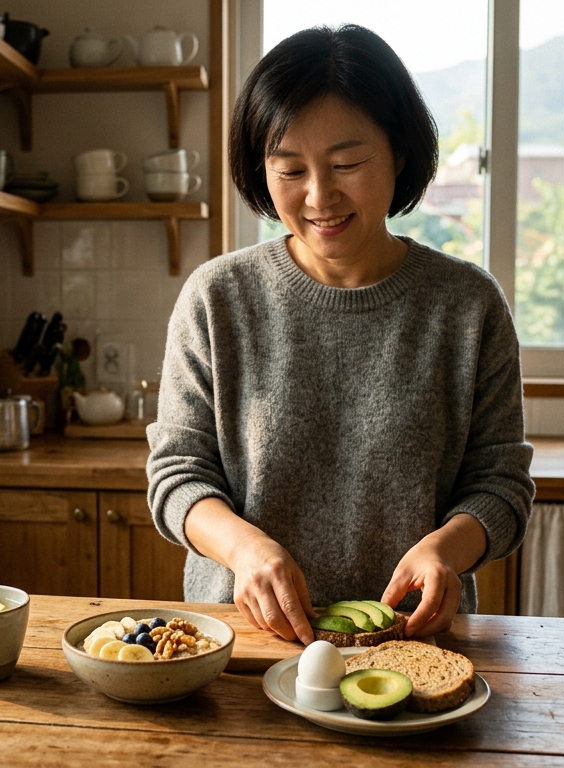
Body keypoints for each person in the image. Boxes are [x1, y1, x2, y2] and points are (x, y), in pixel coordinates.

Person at [146, 24, 534, 645]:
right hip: (243, 641)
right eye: (290, 169)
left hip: (414, 643)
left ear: (400, 154)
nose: (319, 196)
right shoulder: (218, 298)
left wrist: (447, 549)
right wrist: (244, 549)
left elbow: (501, 483)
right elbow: (177, 475)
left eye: (347, 164)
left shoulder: (466, 304)